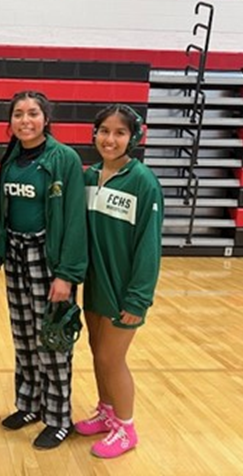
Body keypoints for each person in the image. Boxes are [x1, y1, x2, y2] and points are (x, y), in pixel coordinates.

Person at [0, 91, 88, 449]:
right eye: (18, 113)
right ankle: (30, 404)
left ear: (45, 119)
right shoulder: (13, 158)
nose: (25, 120)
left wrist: (66, 274)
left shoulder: (64, 158)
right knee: (24, 339)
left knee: (53, 342)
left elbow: (76, 220)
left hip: (49, 262)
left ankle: (59, 417)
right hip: (17, 258)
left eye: (33, 113)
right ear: (11, 122)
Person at [75, 104, 163, 458]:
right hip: (94, 285)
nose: (110, 139)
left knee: (113, 359)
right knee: (98, 354)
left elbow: (149, 247)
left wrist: (138, 299)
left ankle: (127, 428)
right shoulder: (88, 176)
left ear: (134, 137)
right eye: (104, 131)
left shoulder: (143, 182)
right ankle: (107, 412)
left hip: (125, 290)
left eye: (119, 132)